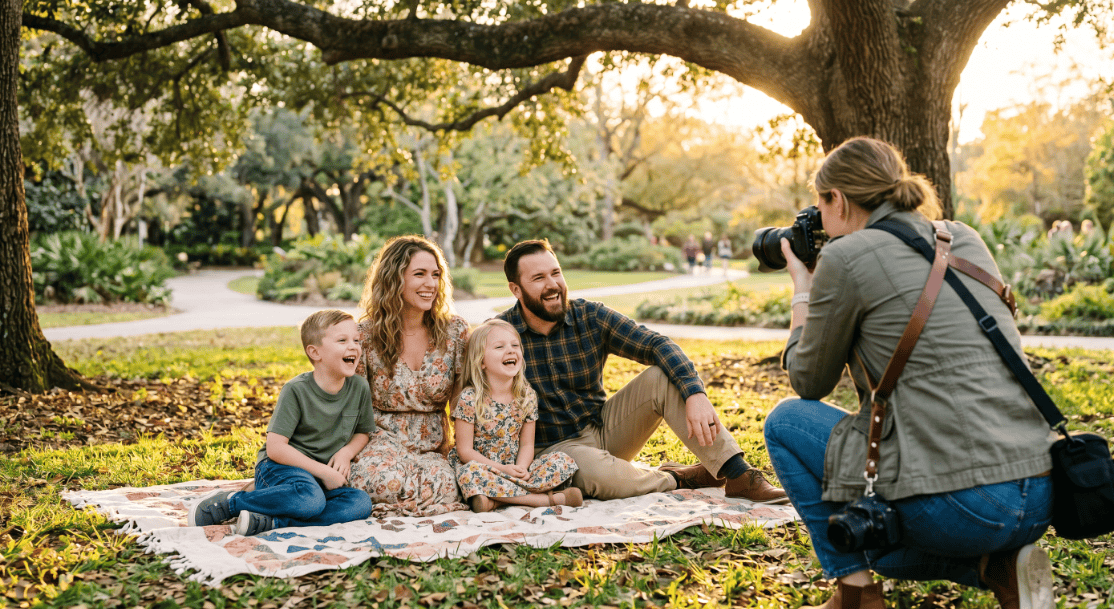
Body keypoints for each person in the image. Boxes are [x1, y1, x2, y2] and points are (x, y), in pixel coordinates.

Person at [763, 137, 1055, 609]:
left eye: (819, 202)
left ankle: (856, 594)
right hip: (1042, 492)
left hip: (965, 508)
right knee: (880, 537)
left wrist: (803, 289)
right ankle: (1000, 570)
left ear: (837, 199)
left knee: (786, 423)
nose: (817, 215)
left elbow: (808, 382)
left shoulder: (845, 257)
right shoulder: (963, 237)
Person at [496, 239, 788, 504]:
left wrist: (695, 393)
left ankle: (738, 474)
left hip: (603, 428)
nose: (553, 284)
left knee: (662, 376)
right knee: (603, 476)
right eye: (538, 278)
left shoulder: (589, 315)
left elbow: (655, 344)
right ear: (516, 289)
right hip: (554, 450)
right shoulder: (499, 336)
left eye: (555, 273)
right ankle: (681, 478)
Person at [188, 310, 375, 535]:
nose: (354, 346)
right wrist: (324, 472)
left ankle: (272, 522)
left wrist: (346, 453)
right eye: (342, 340)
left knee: (359, 503)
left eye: (356, 340)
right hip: (280, 467)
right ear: (315, 352)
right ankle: (230, 503)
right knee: (311, 501)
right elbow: (276, 448)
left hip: (316, 479)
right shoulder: (296, 390)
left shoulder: (359, 387)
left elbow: (363, 432)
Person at [347, 236, 470, 517]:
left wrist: (462, 453)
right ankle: (403, 497)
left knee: (448, 485)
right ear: (394, 279)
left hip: (434, 446)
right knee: (382, 482)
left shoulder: (455, 332)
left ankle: (404, 501)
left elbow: (462, 401)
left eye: (436, 275)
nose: (430, 284)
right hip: (381, 440)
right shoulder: (364, 335)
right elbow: (352, 405)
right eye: (419, 274)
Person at [449, 319, 582, 512]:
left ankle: (495, 501)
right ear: (481, 361)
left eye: (515, 345)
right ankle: (546, 500)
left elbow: (527, 444)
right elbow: (465, 451)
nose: (511, 351)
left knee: (561, 460)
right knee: (469, 474)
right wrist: (501, 469)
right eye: (499, 346)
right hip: (483, 467)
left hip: (514, 467)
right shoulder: (470, 398)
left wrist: (521, 469)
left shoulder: (526, 395)